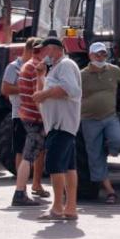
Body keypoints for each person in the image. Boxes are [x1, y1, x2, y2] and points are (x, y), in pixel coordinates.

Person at [80, 42, 120, 204]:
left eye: (103, 54)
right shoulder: (81, 75)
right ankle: (110, 191)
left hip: (109, 117)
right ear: (90, 56)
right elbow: (72, 94)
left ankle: (107, 150)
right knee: (94, 157)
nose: (100, 57)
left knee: (118, 140)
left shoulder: (114, 70)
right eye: (97, 54)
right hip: (89, 120)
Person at [32, 37, 82, 220]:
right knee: (68, 167)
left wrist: (44, 93)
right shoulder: (55, 69)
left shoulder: (65, 65)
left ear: (54, 49)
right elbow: (41, 99)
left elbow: (70, 90)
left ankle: (57, 208)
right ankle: (70, 208)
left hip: (62, 125)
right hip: (58, 126)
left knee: (55, 165)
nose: (42, 54)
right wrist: (40, 76)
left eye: (44, 50)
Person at [10, 37, 50, 206]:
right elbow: (37, 96)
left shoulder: (27, 65)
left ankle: (21, 191)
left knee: (28, 156)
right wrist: (46, 121)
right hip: (34, 118)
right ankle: (19, 193)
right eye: (47, 50)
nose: (50, 54)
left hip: (26, 115)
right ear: (40, 51)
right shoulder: (36, 68)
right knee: (28, 157)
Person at [1, 37, 33, 172]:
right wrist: (28, 88)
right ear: (29, 50)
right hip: (20, 114)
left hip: (37, 114)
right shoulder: (13, 67)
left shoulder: (39, 66)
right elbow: (5, 89)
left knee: (38, 150)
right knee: (20, 149)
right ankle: (21, 185)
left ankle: (36, 184)